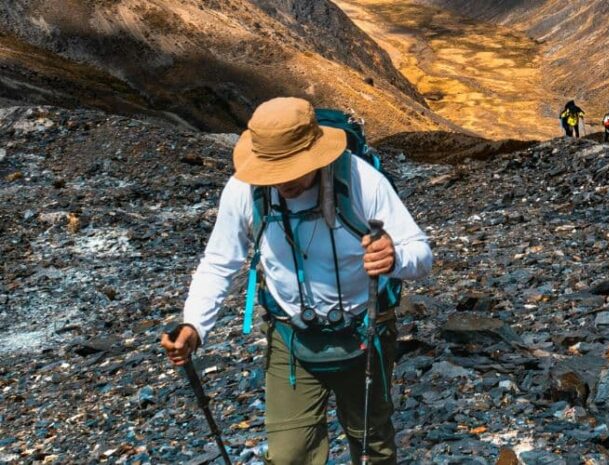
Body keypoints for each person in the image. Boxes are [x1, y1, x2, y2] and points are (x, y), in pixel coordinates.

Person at [160, 97, 433, 465]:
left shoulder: (359, 178)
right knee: (289, 457)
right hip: (291, 341)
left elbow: (421, 255)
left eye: (290, 168)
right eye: (271, 170)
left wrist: (395, 258)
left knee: (373, 447)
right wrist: (194, 325)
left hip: (365, 334)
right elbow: (218, 263)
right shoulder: (244, 190)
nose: (281, 181)